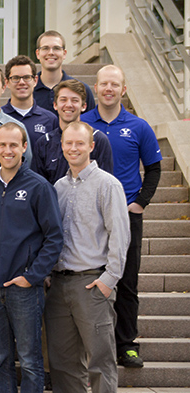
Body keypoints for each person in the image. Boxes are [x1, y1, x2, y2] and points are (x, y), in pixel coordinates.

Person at [0, 122, 63, 392]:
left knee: (31, 361)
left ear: (24, 147)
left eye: (13, 145)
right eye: (2, 145)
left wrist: (32, 276)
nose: (7, 150)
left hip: (23, 289)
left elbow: (54, 237)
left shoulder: (39, 187)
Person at [81, 64, 163, 368]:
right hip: (91, 215)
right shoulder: (84, 123)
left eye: (114, 84)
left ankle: (127, 344)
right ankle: (91, 345)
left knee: (127, 281)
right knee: (91, 277)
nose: (108, 89)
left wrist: (140, 203)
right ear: (96, 87)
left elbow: (153, 168)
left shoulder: (139, 126)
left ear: (123, 89)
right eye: (103, 84)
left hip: (126, 215)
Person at [46, 121, 130, 393]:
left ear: (91, 146)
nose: (74, 148)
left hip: (92, 284)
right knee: (62, 362)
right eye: (68, 143)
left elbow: (120, 234)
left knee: (100, 361)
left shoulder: (108, 185)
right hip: (59, 285)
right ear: (62, 145)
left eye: (80, 143)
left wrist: (109, 279)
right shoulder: (57, 187)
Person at [33, 79, 114, 184]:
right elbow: (39, 187)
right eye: (63, 100)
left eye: (75, 100)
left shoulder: (98, 139)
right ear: (55, 105)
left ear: (84, 106)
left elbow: (105, 183)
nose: (68, 105)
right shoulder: (44, 143)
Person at [33, 30, 96, 116]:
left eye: (56, 48)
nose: (51, 52)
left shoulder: (83, 89)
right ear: (38, 54)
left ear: (64, 53)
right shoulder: (28, 90)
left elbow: (89, 124)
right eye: (45, 48)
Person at [1, 55, 58, 143]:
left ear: (35, 80)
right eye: (16, 78)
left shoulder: (50, 119)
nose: (22, 82)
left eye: (27, 77)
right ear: (7, 82)